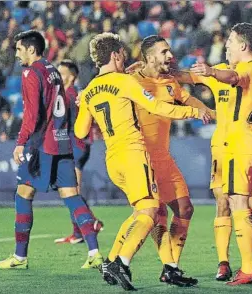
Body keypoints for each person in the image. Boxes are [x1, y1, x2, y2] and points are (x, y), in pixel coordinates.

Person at [74, 32, 211, 290]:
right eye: (123, 56)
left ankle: (119, 262)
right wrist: (195, 111)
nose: (126, 61)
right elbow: (161, 107)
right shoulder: (126, 82)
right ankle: (120, 262)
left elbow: (80, 132)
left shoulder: (90, 89)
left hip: (112, 159)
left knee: (144, 211)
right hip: (134, 154)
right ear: (115, 56)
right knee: (149, 212)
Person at [0, 30, 103, 270]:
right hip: (62, 142)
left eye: (20, 49)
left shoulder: (31, 72)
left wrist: (21, 142)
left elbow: (32, 115)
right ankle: (94, 252)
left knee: (23, 195)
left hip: (41, 144)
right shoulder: (53, 70)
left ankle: (19, 257)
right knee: (71, 195)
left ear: (32, 49)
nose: (17, 54)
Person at [191, 23, 252, 285]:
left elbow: (234, 78)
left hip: (237, 144)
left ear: (243, 46)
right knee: (241, 204)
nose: (226, 44)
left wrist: (211, 71)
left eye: (230, 40)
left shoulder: (244, 71)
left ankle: (249, 268)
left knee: (238, 205)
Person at [54, 59, 104, 245]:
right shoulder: (70, 94)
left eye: (61, 73)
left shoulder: (69, 95)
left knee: (70, 191)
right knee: (69, 191)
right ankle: (79, 232)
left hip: (76, 146)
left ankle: (90, 225)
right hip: (76, 146)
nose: (57, 76)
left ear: (71, 76)